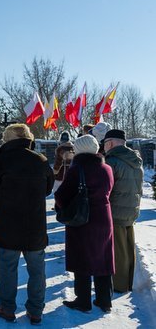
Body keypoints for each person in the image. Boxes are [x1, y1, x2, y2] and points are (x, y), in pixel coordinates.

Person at [0, 123, 54, 325]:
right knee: (37, 270)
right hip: (35, 225)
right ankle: (36, 310)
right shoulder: (40, 160)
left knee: (6, 269)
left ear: (9, 139)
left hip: (7, 225)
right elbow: (48, 188)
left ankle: (7, 307)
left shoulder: (2, 160)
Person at [55, 135, 115, 313]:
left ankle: (83, 301)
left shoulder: (76, 169)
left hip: (82, 218)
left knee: (82, 258)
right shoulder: (107, 168)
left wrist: (63, 206)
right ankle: (104, 301)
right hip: (104, 216)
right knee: (103, 258)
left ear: (79, 149)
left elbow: (61, 195)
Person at [103, 129, 143, 293]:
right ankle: (127, 282)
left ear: (110, 143)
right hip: (131, 208)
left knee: (118, 251)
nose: (104, 147)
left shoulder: (112, 161)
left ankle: (119, 285)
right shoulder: (136, 160)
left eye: (104, 143)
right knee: (127, 247)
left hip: (116, 210)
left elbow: (107, 188)